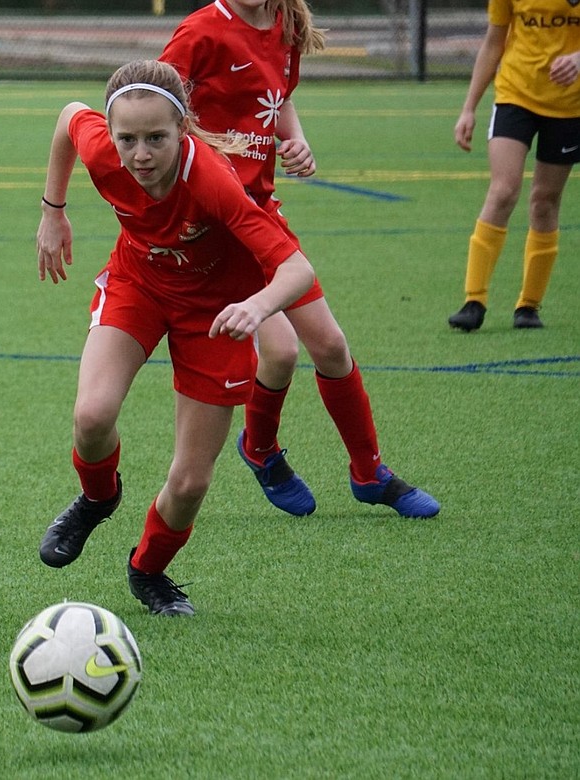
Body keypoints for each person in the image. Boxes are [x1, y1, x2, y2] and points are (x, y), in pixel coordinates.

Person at [36, 59, 315, 616]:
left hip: (214, 313)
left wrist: (257, 307)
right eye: (128, 139)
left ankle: (149, 571)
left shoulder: (212, 181)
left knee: (189, 482)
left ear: (183, 128)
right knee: (92, 417)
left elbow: (297, 271)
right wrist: (53, 211)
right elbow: (70, 116)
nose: (140, 154)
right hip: (139, 286)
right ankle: (98, 497)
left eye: (156, 138)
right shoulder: (103, 151)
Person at [158, 0, 439, 519]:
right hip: (212, 226)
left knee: (330, 344)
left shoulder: (284, 23)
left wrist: (297, 139)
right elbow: (156, 110)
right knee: (282, 354)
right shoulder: (200, 31)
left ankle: (369, 472)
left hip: (260, 215)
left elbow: (278, 100)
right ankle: (260, 450)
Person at [446, 0, 580, 332]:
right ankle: (473, 301)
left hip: (568, 105)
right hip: (514, 96)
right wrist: (469, 108)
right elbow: (495, 41)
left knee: (545, 201)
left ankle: (528, 306)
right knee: (503, 190)